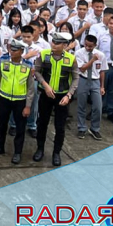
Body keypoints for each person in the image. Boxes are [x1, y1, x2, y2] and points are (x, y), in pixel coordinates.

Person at [32, 31, 78, 166]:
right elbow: (37, 71)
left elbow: (76, 78)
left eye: (57, 43)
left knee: (60, 126)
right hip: (46, 95)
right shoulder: (44, 54)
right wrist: (45, 85)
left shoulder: (71, 58)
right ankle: (40, 149)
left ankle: (56, 153)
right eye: (53, 42)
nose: (54, 44)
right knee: (42, 123)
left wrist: (68, 95)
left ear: (64, 45)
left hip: (62, 96)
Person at [0, 39, 35, 164]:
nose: (12, 52)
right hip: (4, 98)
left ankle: (18, 152)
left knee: (20, 128)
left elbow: (30, 88)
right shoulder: (2, 61)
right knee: (2, 125)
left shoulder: (28, 65)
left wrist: (28, 106)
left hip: (20, 101)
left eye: (15, 50)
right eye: (11, 49)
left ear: (21, 51)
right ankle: (0, 147)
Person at [74, 34, 106, 140]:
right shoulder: (79, 53)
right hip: (83, 79)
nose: (88, 48)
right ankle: (81, 128)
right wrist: (92, 60)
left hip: (95, 81)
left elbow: (102, 71)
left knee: (97, 106)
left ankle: (95, 128)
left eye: (90, 46)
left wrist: (102, 86)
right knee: (81, 105)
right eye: (86, 45)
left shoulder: (101, 55)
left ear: (95, 45)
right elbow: (82, 68)